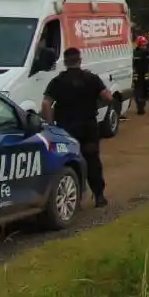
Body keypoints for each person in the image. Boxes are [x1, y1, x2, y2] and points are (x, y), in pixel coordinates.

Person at [42, 47, 113, 208]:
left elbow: (46, 103)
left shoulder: (58, 81)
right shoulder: (92, 78)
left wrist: (50, 125)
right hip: (88, 127)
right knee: (92, 160)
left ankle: (76, 198)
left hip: (67, 129)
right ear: (80, 60)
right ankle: (99, 196)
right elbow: (107, 97)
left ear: (65, 62)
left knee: (70, 162)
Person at [131, 36, 149, 115]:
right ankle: (140, 107)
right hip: (138, 75)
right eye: (142, 45)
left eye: (145, 45)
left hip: (146, 74)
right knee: (138, 91)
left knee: (146, 89)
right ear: (139, 45)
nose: (144, 46)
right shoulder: (135, 53)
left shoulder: (148, 52)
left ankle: (143, 103)